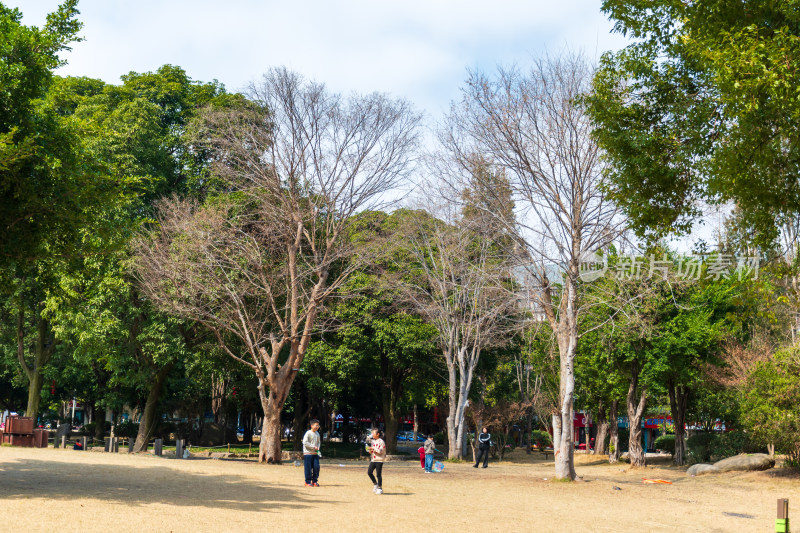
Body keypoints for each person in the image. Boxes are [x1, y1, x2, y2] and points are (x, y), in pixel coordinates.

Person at [366, 428, 386, 494]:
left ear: (378, 434)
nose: (372, 434)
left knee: (378, 474)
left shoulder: (381, 442)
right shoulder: (373, 441)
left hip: (379, 460)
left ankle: (380, 488)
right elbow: (372, 451)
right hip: (373, 459)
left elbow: (380, 451)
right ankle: (375, 484)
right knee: (369, 472)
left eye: (373, 433)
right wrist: (369, 450)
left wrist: (373, 449)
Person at [302, 419, 322, 487]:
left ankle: (314, 481)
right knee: (308, 468)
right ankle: (307, 482)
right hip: (308, 453)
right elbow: (305, 442)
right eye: (315, 425)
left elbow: (319, 442)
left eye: (318, 425)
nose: (317, 427)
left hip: (315, 454)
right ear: (312, 425)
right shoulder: (308, 433)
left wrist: (318, 447)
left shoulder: (317, 433)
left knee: (316, 467)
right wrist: (313, 447)